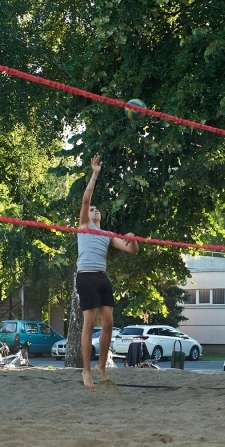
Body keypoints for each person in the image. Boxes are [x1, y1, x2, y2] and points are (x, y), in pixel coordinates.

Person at [77, 154, 139, 391]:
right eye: (91, 209)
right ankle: (86, 370)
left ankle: (101, 366)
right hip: (86, 276)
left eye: (96, 210)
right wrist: (95, 173)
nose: (93, 210)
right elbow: (85, 200)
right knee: (89, 323)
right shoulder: (83, 226)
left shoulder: (107, 235)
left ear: (100, 216)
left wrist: (132, 240)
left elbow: (131, 250)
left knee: (109, 323)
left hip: (102, 277)